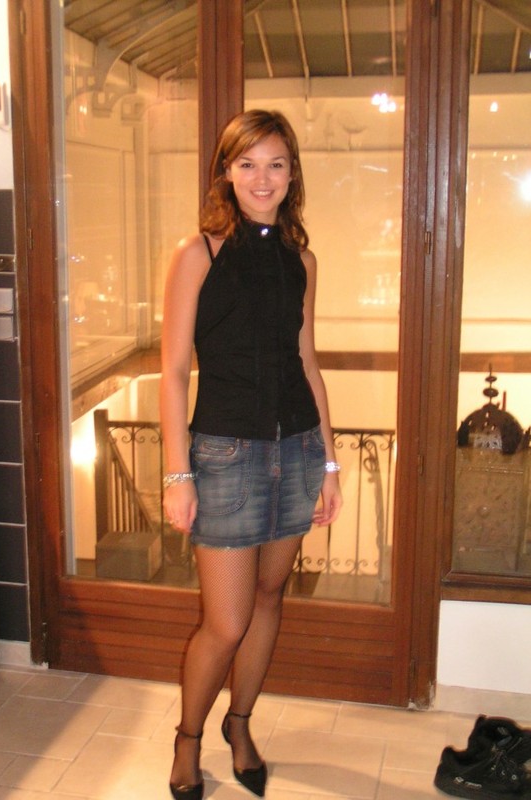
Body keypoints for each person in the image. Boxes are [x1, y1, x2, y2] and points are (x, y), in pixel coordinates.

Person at [160, 109, 343, 800]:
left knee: (270, 598)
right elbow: (173, 371)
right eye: (247, 164)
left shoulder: (302, 261)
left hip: (296, 450)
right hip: (225, 456)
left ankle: (240, 725)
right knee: (226, 622)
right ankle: (188, 738)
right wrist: (178, 473)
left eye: (275, 164)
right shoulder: (198, 254)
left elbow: (308, 363)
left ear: (292, 174)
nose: (262, 178)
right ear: (227, 173)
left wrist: (329, 464)